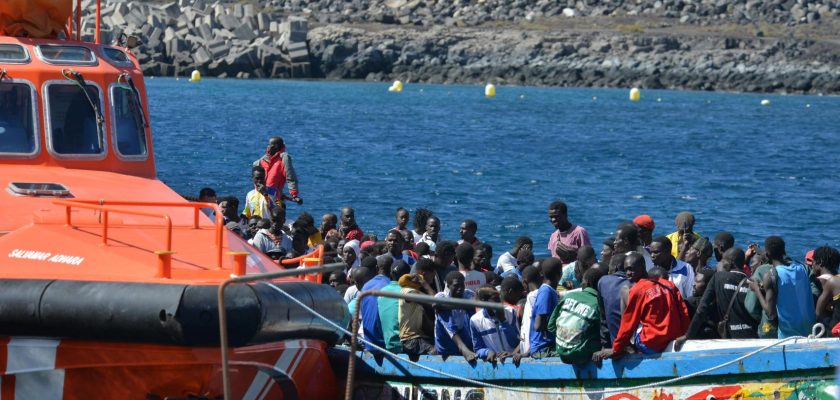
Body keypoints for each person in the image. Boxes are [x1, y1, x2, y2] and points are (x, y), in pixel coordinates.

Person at [593, 252, 689, 361]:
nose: (628, 273)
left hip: (650, 344)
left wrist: (616, 349)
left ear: (643, 267)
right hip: (672, 338)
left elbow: (628, 323)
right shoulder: (669, 285)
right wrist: (684, 336)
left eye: (631, 269)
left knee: (625, 290)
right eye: (626, 269)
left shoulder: (637, 290)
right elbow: (684, 313)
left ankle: (626, 346)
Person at [678, 248, 756, 347]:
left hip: (729, 336)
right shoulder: (751, 284)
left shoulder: (718, 278)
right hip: (751, 336)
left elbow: (702, 308)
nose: (721, 264)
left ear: (730, 263)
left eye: (723, 261)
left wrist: (687, 336)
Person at [749, 236, 816, 338]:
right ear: (784, 250)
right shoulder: (802, 268)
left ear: (767, 254)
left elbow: (771, 314)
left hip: (788, 335)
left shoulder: (770, 276)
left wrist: (757, 289)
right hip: (810, 331)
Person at [548, 267, 605, 364]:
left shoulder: (568, 296)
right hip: (581, 354)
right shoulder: (599, 304)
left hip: (560, 351)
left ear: (586, 283)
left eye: (582, 281)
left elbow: (551, 326)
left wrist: (565, 340)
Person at [470, 287, 521, 362]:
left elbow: (516, 342)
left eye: (499, 298)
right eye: (495, 299)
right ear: (484, 302)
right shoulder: (475, 320)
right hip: (495, 362)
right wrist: (487, 352)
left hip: (513, 360)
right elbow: (478, 349)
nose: (500, 303)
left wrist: (503, 321)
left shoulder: (511, 312)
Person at [434, 271, 476, 360]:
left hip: (462, 332)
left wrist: (456, 305)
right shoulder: (442, 296)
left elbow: (477, 303)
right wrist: (464, 305)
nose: (460, 288)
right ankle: (462, 348)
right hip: (445, 339)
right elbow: (435, 305)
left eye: (462, 285)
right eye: (456, 285)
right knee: (444, 314)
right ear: (448, 286)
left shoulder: (468, 293)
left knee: (474, 313)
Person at [399, 262, 438, 357]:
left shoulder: (414, 291)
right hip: (411, 340)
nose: (432, 281)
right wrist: (425, 284)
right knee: (437, 352)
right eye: (432, 277)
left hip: (419, 338)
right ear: (423, 274)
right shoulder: (409, 292)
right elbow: (436, 302)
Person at [529, 258, 562, 357]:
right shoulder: (546, 292)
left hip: (548, 345)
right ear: (559, 274)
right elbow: (538, 326)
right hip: (542, 348)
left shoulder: (550, 291)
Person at [359, 256, 394, 351]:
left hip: (368, 342)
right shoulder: (389, 286)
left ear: (376, 268)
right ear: (392, 270)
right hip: (383, 344)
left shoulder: (365, 286)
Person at [255, 136, 301, 204]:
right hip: (260, 197)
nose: (268, 146)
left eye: (269, 144)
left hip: (275, 199)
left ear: (275, 146)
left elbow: (290, 176)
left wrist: (294, 194)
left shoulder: (283, 158)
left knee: (273, 212)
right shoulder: (261, 161)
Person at [378, 260, 411, 353]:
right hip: (403, 345)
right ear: (407, 276)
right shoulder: (407, 292)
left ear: (390, 274)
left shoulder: (381, 292)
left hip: (388, 344)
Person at [598, 252, 630, 346]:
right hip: (633, 342)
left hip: (615, 344)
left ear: (615, 268)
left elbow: (603, 319)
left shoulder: (603, 281)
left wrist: (605, 345)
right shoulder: (635, 284)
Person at [814, 246, 840, 336]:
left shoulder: (832, 282)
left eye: (814, 261)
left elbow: (818, 312)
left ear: (820, 262)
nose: (812, 264)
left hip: (833, 331)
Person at [519, 265, 542, 355]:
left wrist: (529, 351)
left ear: (524, 282)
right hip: (529, 351)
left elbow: (536, 326)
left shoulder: (533, 296)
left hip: (531, 352)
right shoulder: (536, 295)